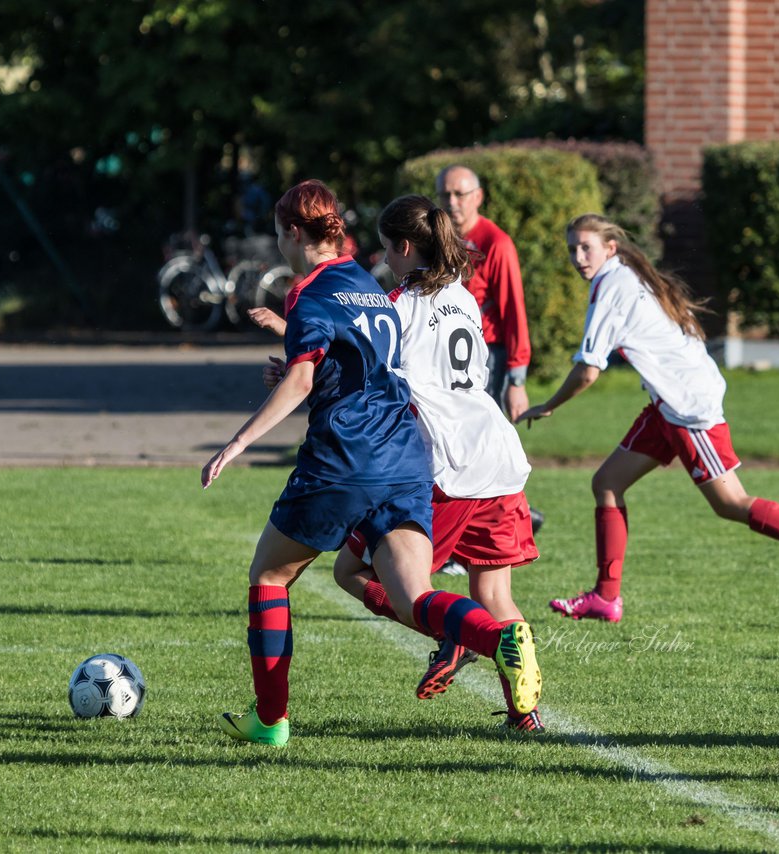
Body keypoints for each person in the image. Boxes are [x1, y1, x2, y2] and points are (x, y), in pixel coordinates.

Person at [203, 179, 540, 747]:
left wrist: (240, 439)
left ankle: (270, 722)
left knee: (270, 573)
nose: (383, 257)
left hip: (400, 455)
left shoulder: (343, 296)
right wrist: (298, 359)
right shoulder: (406, 287)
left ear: (291, 232)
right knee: (419, 593)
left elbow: (321, 370)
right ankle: (495, 639)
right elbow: (364, 355)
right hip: (440, 454)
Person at [516, 213, 779, 622]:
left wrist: (550, 403)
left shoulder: (611, 285)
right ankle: (606, 598)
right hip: (668, 402)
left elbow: (589, 369)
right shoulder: (625, 272)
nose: (577, 257)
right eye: (572, 248)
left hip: (688, 409)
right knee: (607, 483)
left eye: (585, 247)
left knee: (730, 503)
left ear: (609, 248)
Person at [333, 194, 544, 733]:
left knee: (356, 573)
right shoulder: (462, 296)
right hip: (499, 453)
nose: (383, 260)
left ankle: (454, 635)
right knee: (495, 594)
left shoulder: (397, 305)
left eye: (385, 249)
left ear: (404, 247)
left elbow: (361, 371)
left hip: (447, 464)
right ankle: (526, 716)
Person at [435, 165, 544, 538]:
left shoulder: (496, 243)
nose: (452, 202)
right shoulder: (437, 240)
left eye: (460, 194)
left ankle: (507, 521)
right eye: (446, 195)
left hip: (486, 357)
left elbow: (514, 310)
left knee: (482, 441)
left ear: (478, 197)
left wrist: (517, 377)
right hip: (441, 357)